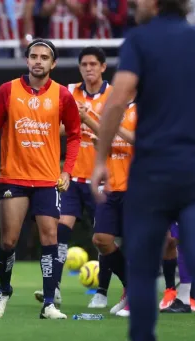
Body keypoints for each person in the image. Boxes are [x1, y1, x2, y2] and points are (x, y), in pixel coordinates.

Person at [91, 0, 195, 341]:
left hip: (154, 172)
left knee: (143, 269)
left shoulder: (140, 40)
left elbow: (118, 100)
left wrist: (101, 158)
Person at [0, 38, 81, 319]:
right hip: (14, 177)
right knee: (9, 242)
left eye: (44, 57)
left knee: (50, 237)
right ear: (27, 60)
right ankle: (3, 291)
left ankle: (49, 302)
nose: (38, 61)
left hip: (48, 180)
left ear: (53, 63)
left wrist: (67, 170)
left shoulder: (62, 95)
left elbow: (75, 135)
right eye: (34, 56)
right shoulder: (7, 91)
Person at [33, 46, 114, 309]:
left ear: (103, 67)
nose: (89, 69)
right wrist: (72, 124)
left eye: (93, 64)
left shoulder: (113, 95)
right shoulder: (68, 91)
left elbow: (112, 137)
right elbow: (53, 130)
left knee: (103, 239)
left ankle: (102, 291)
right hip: (71, 178)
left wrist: (84, 119)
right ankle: (53, 286)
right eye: (84, 64)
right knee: (60, 230)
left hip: (101, 180)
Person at [81, 99, 137, 317]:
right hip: (112, 186)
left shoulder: (144, 107)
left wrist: (114, 128)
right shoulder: (116, 108)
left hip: (136, 187)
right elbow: (113, 142)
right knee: (101, 239)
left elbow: (139, 141)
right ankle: (131, 286)